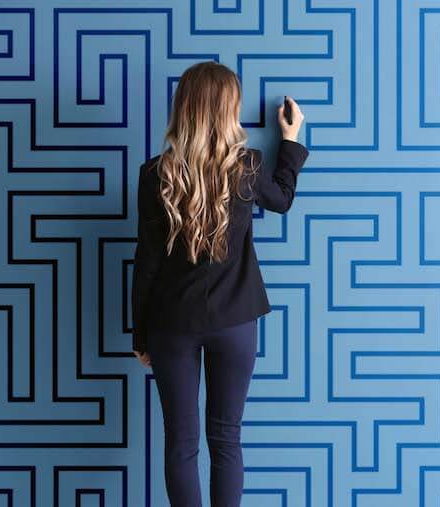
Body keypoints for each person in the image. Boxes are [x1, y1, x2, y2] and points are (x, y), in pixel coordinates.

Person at [130, 60, 308, 506]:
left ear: (183, 109)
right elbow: (283, 199)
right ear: (228, 110)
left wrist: (140, 334)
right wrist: (290, 140)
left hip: (172, 324)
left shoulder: (156, 174)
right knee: (226, 439)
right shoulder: (246, 167)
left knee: (181, 444)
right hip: (236, 322)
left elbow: (146, 263)